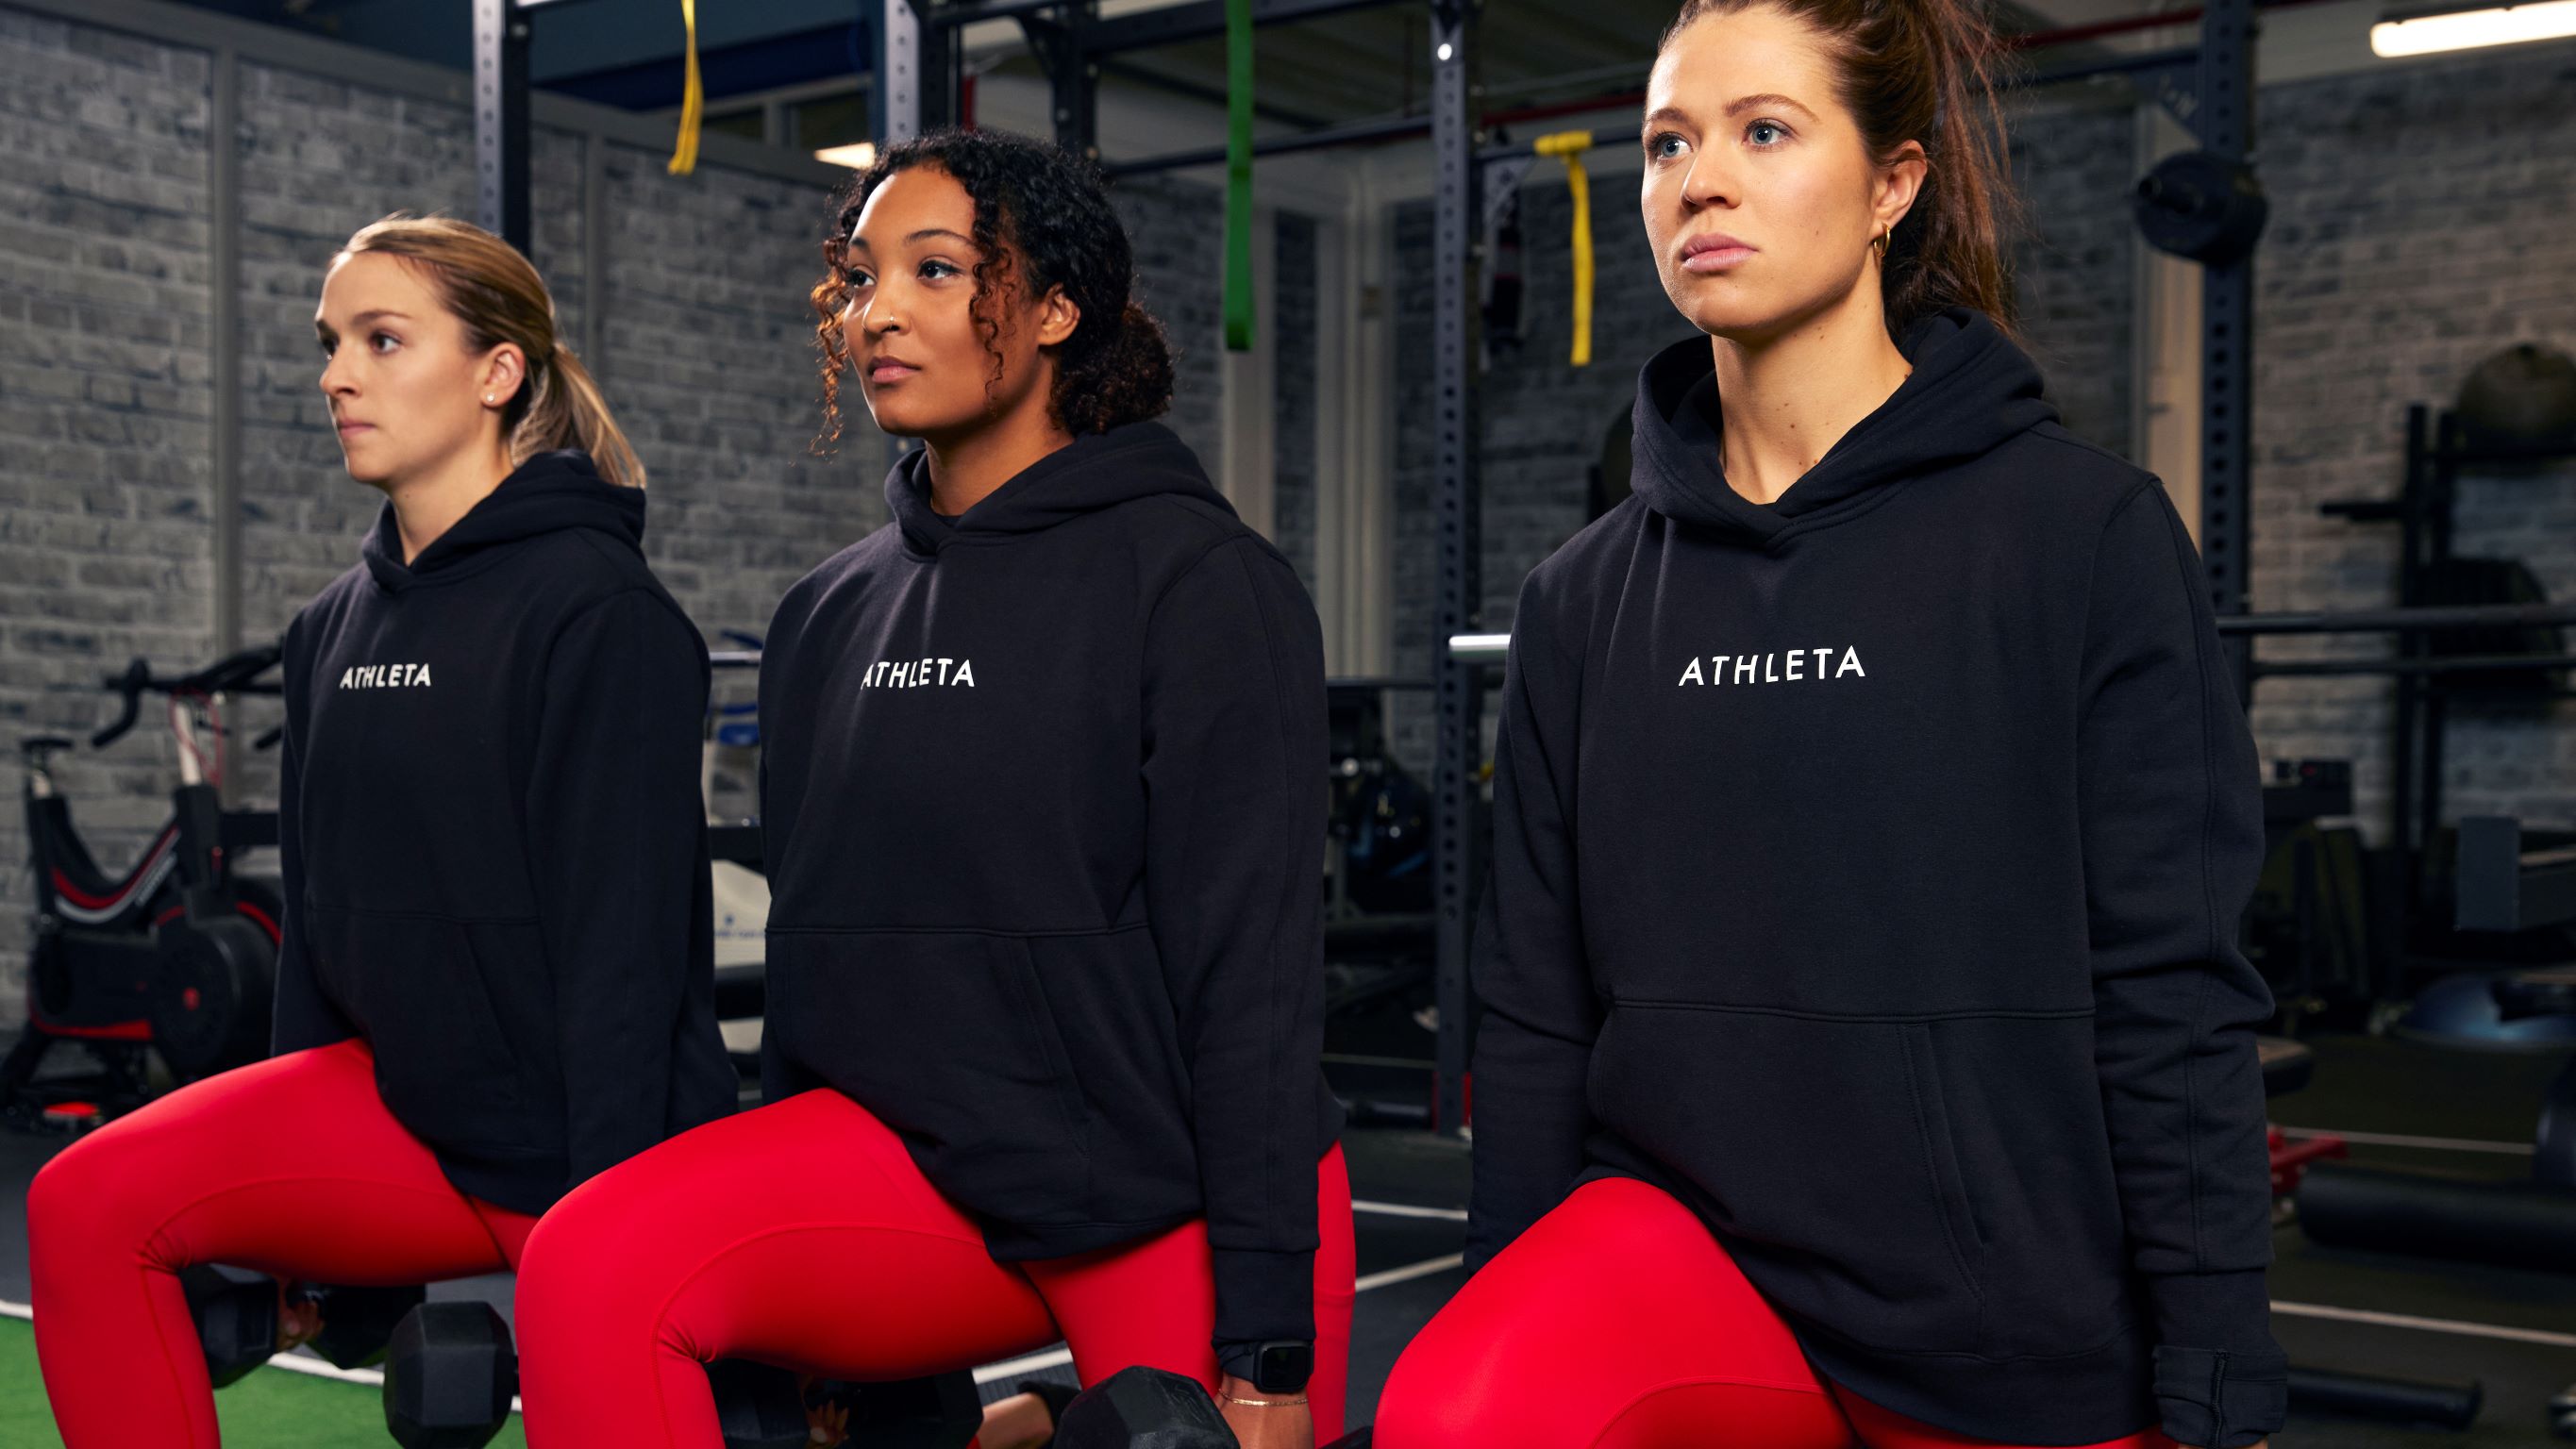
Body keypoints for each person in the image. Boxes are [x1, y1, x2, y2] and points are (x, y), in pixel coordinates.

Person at [1372, 2, 2284, 1446]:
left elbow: (2170, 988)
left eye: (1764, 131)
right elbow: (1538, 1010)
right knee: (1456, 1414)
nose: (1699, 181)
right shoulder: (1578, 601)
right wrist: (1507, 1284)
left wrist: (2215, 1363)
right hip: (1691, 1282)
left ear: (1890, 186)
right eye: (1666, 142)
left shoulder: (2081, 538)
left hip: (1993, 1325)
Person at [512, 128, 1353, 1449]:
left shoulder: (1200, 586)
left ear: (1057, 308)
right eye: (858, 278)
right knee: (590, 1262)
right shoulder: (824, 614)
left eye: (937, 269)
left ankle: (1029, 1425)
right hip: (911, 1180)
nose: (876, 312)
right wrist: (822, 1355)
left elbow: (1251, 983)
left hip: (1159, 1188)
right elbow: (816, 958)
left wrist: (1264, 1352)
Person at [27, 214, 735, 1446]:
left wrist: (608, 1239)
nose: (336, 375)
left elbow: (623, 958)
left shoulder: (599, 615)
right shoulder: (330, 628)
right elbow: (320, 926)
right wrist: (313, 1254)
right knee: (85, 1199)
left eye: (381, 339)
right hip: (402, 1118)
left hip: (577, 1145)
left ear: (497, 372)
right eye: (331, 342)